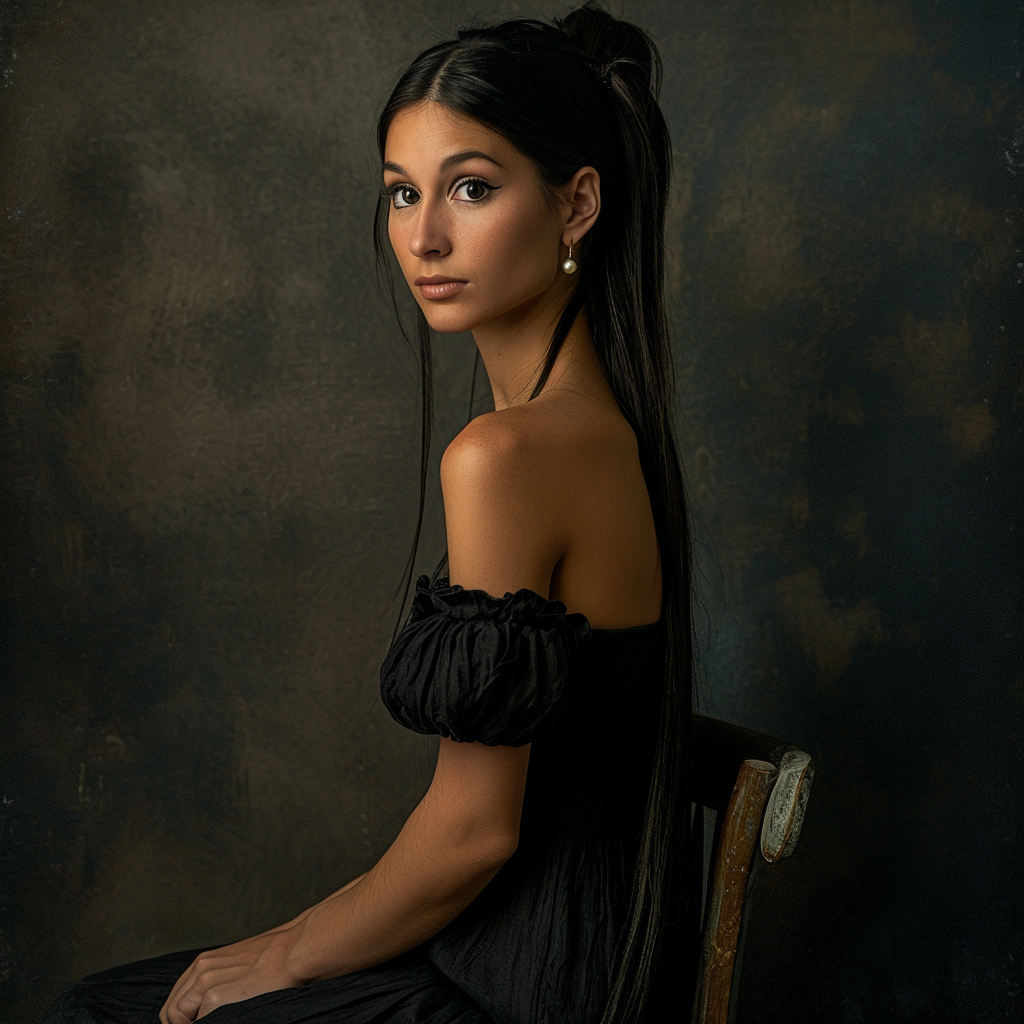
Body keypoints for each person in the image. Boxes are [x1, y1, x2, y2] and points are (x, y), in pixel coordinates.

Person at [41, 4, 695, 1022]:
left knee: (108, 1011)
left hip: (523, 985)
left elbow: (476, 831)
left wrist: (277, 956)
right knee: (130, 998)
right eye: (400, 193)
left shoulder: (506, 454)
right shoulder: (593, 427)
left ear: (576, 206)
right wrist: (268, 948)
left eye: (470, 188)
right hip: (556, 951)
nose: (423, 236)